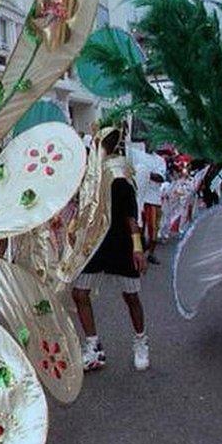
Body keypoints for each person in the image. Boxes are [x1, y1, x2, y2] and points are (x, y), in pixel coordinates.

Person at [71, 128, 150, 372]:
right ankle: (94, 347)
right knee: (80, 292)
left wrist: (138, 249)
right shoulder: (91, 173)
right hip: (96, 242)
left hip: (121, 242)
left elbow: (131, 216)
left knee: (131, 297)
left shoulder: (119, 173)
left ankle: (140, 342)